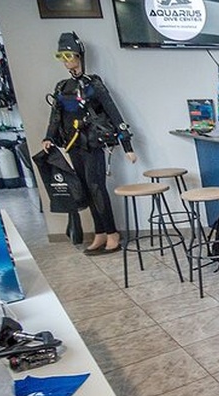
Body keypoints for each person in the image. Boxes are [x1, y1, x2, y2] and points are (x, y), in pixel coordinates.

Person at [43, 32, 136, 255]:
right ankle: (100, 232)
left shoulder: (93, 85)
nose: (66, 61)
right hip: (73, 145)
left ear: (79, 56)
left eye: (69, 56)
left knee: (96, 188)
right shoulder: (62, 87)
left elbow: (113, 113)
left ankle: (112, 233)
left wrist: (127, 147)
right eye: (61, 57)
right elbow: (56, 116)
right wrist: (49, 137)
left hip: (92, 144)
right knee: (85, 188)